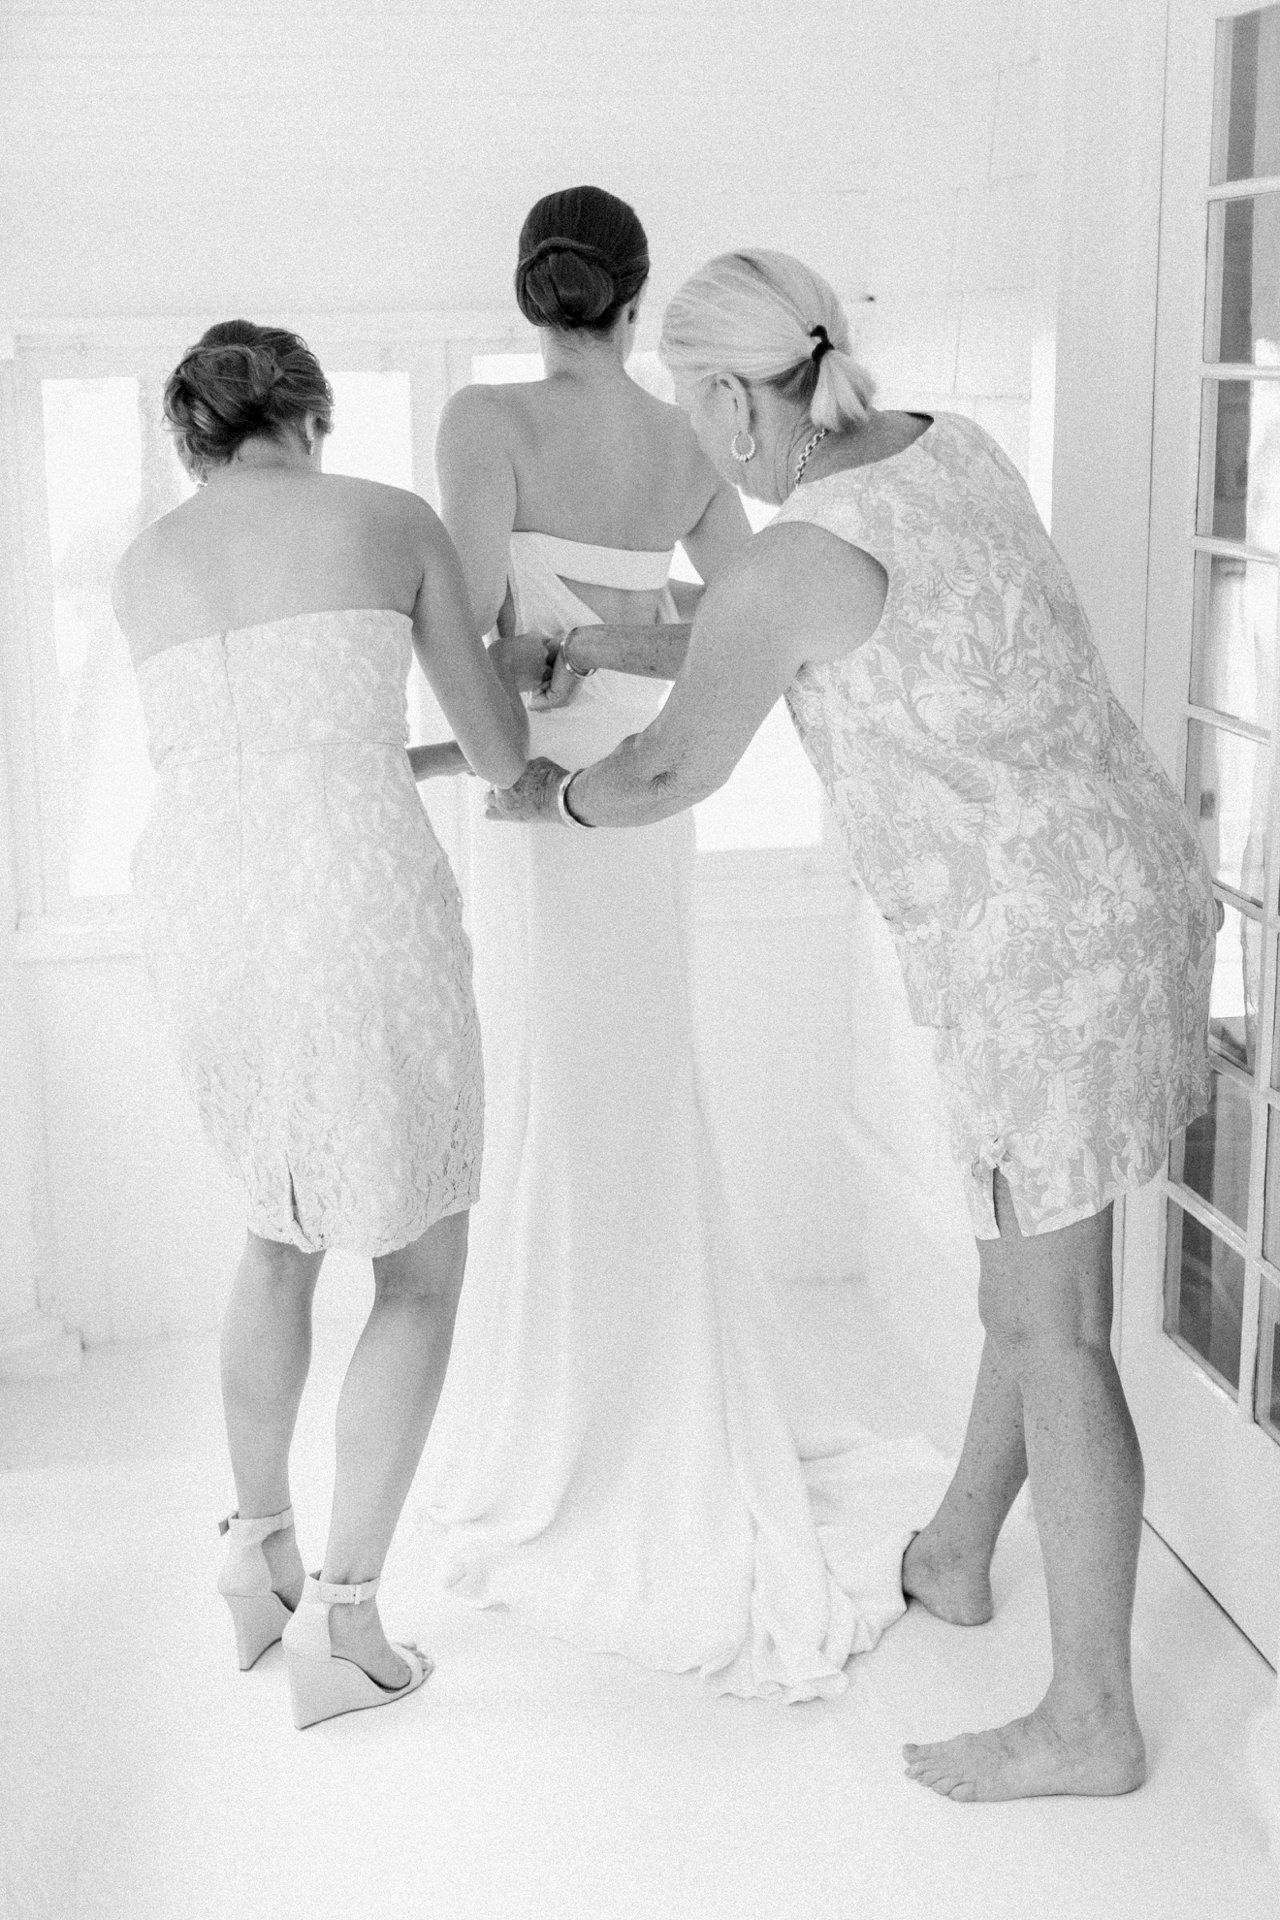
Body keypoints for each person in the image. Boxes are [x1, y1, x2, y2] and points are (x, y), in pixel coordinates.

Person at [488, 248, 1216, 1800]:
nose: (705, 442)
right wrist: (616, 641)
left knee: (1053, 1329)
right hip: (1133, 887)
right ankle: (960, 1547)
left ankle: (1092, 1717)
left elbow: (678, 766)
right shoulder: (949, 448)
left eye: (702, 412)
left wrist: (549, 791)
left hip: (1034, 962)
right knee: (1042, 1290)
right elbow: (774, 622)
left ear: (743, 394)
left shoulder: (793, 555)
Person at [410, 188, 948, 1698]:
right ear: (637, 307)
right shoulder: (676, 439)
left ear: (528, 295)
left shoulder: (483, 420)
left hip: (543, 798)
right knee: (638, 1079)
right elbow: (745, 598)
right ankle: (648, 1385)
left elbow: (456, 626)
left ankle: (566, 1421)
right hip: (652, 791)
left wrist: (528, 692)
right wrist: (628, 643)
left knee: (549, 1091)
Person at [113, 320, 527, 1729]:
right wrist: (514, 686)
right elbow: (502, 756)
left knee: (278, 1236)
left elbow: (268, 749)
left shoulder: (144, 564)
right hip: (353, 911)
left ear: (195, 435)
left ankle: (255, 1552)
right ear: (311, 413)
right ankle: (346, 1623)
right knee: (417, 1267)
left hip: (201, 917)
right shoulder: (388, 518)